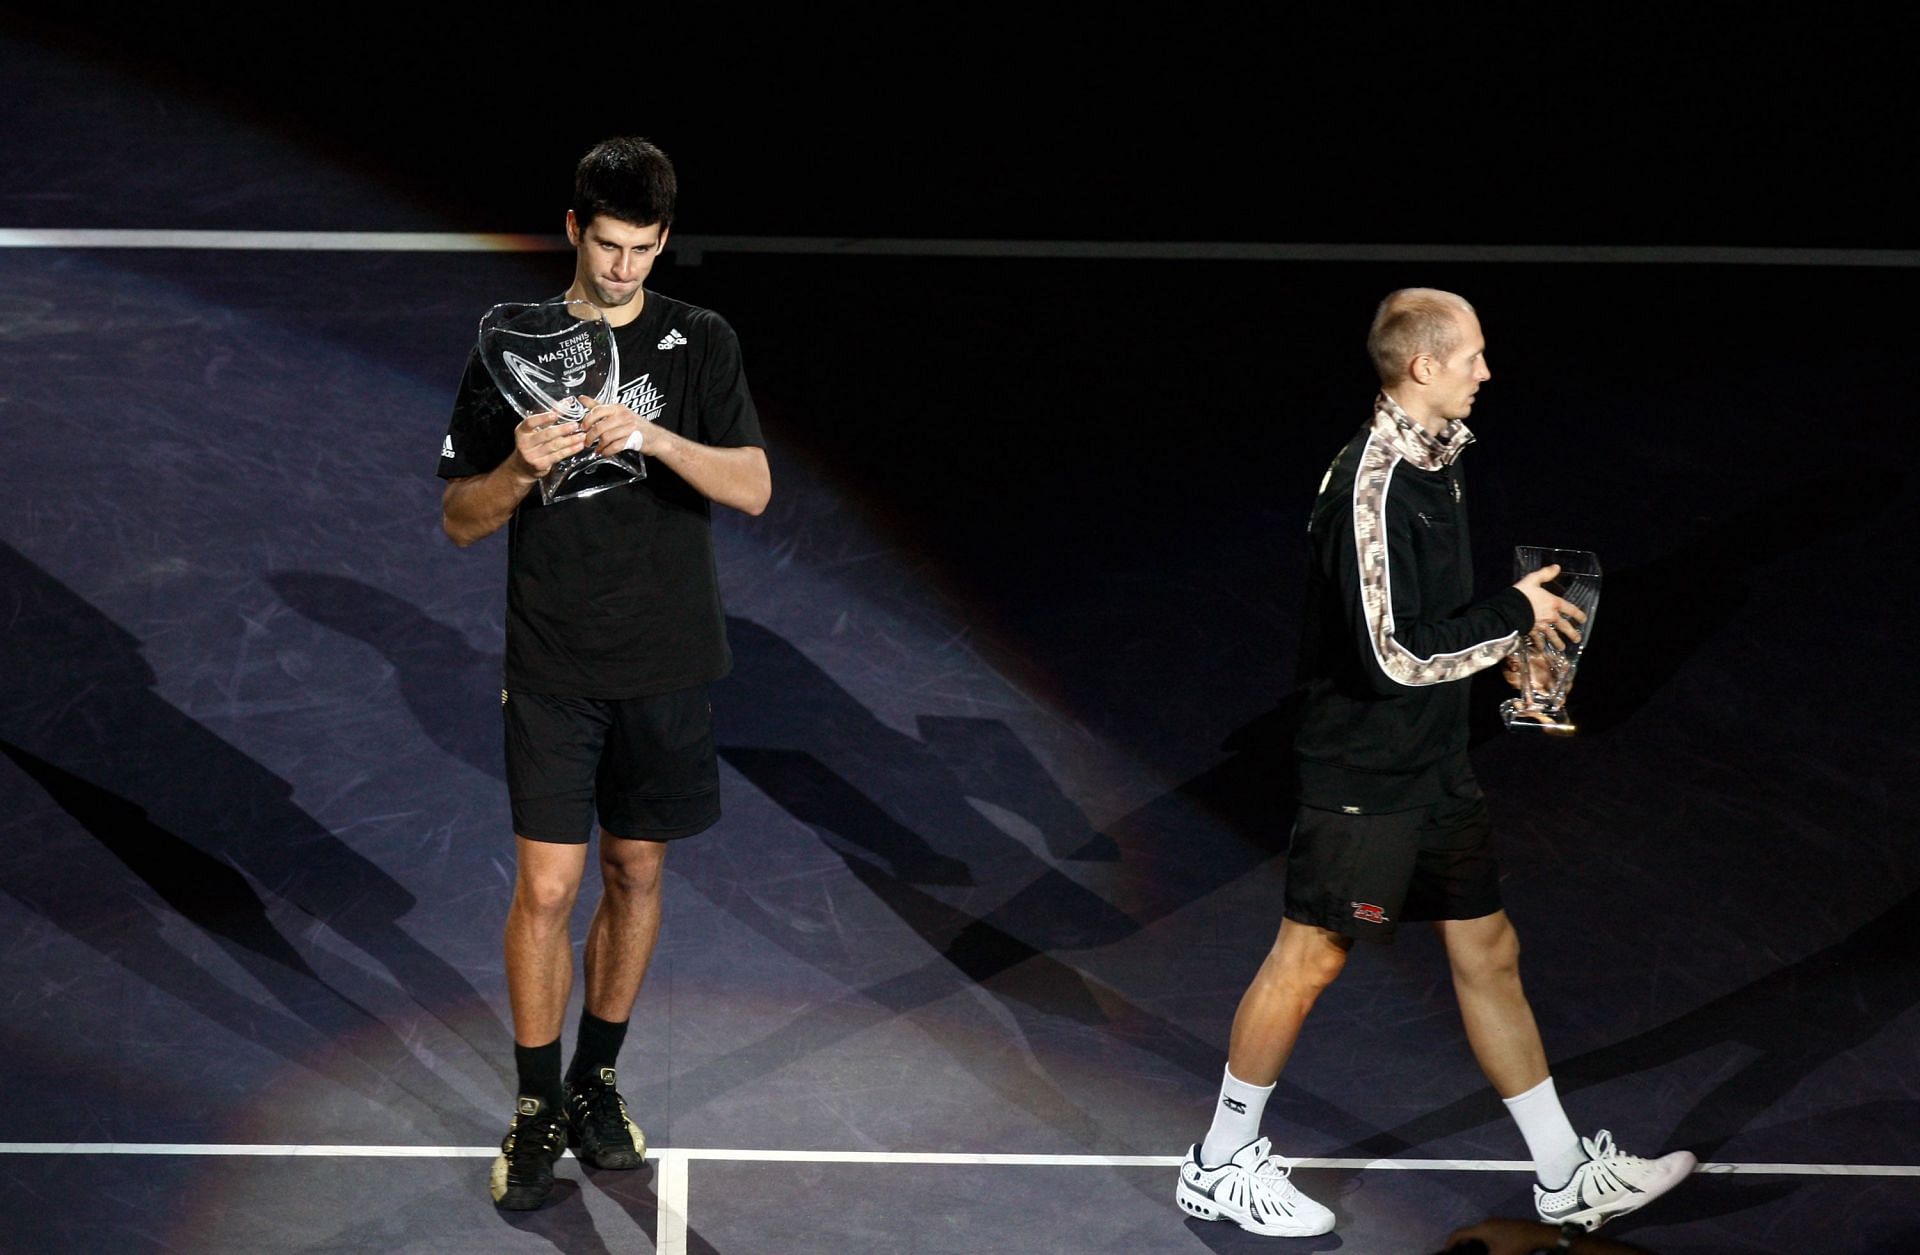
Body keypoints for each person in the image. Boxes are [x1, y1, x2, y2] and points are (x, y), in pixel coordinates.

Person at [1174, 290, 1692, 1238]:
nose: (1485, 372)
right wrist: (1510, 620)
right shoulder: (1369, 488)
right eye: (1473, 357)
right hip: (1363, 773)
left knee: (1488, 949)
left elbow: (1432, 624)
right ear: (1423, 367)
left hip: (1435, 758)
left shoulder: (1441, 463)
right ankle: (1218, 1160)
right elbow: (1392, 657)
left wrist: (1500, 631)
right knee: (1310, 956)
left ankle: (1564, 1171)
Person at [437, 136, 771, 1211]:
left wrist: (657, 436)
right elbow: (457, 520)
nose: (624, 267)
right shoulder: (511, 343)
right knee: (547, 885)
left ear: (662, 239)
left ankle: (595, 1080)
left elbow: (755, 486)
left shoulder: (701, 340)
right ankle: (539, 1103)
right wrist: (518, 469)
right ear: (574, 228)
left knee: (635, 872)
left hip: (666, 665)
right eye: (608, 244)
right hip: (552, 662)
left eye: (643, 248)